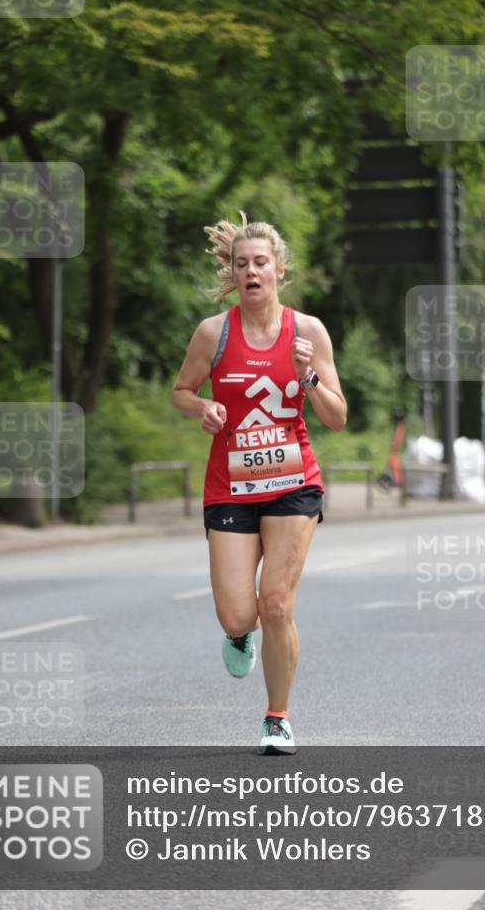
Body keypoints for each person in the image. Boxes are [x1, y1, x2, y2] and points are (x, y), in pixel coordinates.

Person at [171, 212, 347, 754]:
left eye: (260, 263)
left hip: (293, 483)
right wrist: (201, 406)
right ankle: (236, 633)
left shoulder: (308, 332)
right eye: (241, 263)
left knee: (275, 603)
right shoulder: (213, 333)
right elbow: (180, 390)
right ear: (232, 272)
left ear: (278, 270)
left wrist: (309, 376)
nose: (251, 271)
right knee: (239, 612)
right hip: (230, 485)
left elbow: (337, 416)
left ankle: (277, 718)